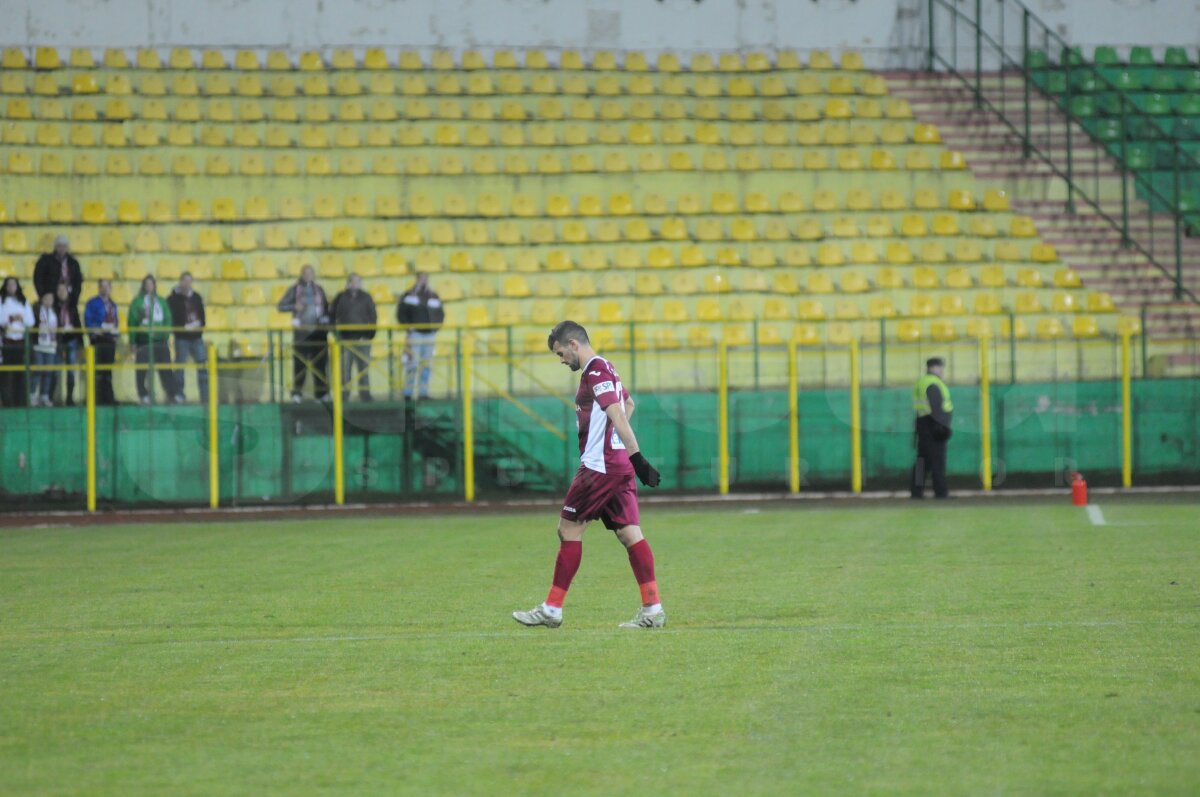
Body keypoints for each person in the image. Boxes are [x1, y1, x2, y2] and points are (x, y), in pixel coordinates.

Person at [512, 320, 665, 630]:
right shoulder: (608, 368)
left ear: (573, 345)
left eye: (559, 354)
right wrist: (620, 446)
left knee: (568, 529)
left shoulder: (594, 371)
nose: (561, 360)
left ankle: (552, 609)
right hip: (616, 463)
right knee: (629, 533)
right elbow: (629, 403)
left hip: (599, 467)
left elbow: (619, 412)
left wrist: (636, 455)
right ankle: (653, 609)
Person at [277, 264, 330, 403]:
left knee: (320, 364)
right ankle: (297, 393)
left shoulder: (319, 289)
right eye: (305, 273)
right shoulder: (294, 289)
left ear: (314, 275)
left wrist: (325, 318)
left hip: (318, 332)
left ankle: (321, 394)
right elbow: (280, 306)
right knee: (300, 364)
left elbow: (326, 308)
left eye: (310, 273)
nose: (308, 275)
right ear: (301, 274)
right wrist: (294, 306)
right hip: (301, 333)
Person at [127, 275, 183, 405]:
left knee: (165, 369)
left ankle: (172, 393)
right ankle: (143, 394)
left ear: (154, 285)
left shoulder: (162, 302)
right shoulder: (137, 302)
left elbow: (168, 319)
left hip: (160, 341)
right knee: (141, 370)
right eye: (147, 284)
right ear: (143, 285)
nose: (149, 286)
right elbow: (132, 322)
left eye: (151, 284)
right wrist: (133, 341)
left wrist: (165, 334)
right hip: (143, 341)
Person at [911, 357, 954, 499]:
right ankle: (941, 492)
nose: (942, 371)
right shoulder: (933, 383)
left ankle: (916, 492)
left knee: (922, 461)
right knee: (937, 461)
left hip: (922, 424)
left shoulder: (921, 382)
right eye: (940, 367)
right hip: (933, 426)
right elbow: (936, 406)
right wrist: (941, 426)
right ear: (933, 368)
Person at [395, 272, 444, 399]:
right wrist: (407, 326)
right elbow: (401, 313)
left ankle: (423, 393)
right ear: (416, 279)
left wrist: (436, 327)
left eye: (426, 278)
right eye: (422, 278)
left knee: (426, 364)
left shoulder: (433, 295)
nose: (424, 281)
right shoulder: (409, 295)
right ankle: (408, 392)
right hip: (415, 334)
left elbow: (440, 314)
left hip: (429, 335)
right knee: (413, 363)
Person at [330, 273, 377, 402]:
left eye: (358, 281)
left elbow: (373, 317)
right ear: (348, 283)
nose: (355, 284)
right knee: (344, 370)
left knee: (363, 369)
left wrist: (369, 335)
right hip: (345, 340)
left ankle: (365, 395)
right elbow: (332, 316)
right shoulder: (340, 297)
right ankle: (344, 396)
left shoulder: (367, 297)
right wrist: (337, 334)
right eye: (353, 281)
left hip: (363, 339)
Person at [166, 272, 208, 403]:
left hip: (196, 337)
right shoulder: (173, 299)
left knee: (202, 366)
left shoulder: (197, 297)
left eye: (189, 281)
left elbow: (202, 317)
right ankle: (179, 394)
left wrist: (198, 326)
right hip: (181, 337)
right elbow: (171, 318)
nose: (187, 284)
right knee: (180, 366)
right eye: (184, 281)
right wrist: (181, 328)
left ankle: (206, 397)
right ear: (180, 282)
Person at [84, 280, 120, 405]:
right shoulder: (92, 303)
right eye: (102, 287)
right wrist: (94, 330)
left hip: (110, 340)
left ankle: (108, 397)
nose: (104, 289)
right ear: (99, 288)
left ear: (110, 288)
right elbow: (88, 321)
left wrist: (116, 334)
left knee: (108, 370)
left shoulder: (113, 305)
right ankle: (96, 398)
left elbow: (116, 321)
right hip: (98, 340)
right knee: (97, 370)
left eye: (107, 286)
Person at [0, 276, 35, 407]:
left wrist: (20, 318)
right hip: (6, 342)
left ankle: (20, 401)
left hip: (20, 342)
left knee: (20, 373)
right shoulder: (1, 301)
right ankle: (7, 401)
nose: (11, 287)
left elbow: (30, 321)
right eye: (8, 285)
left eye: (13, 284)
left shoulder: (23, 301)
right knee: (6, 374)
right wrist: (9, 319)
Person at [33, 235, 83, 312]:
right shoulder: (45, 261)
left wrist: (73, 297)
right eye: (59, 246)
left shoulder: (73, 263)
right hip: (50, 298)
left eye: (64, 246)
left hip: (69, 299)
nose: (62, 248)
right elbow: (38, 278)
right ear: (55, 247)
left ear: (67, 247)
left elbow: (78, 282)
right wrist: (43, 295)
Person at [54, 283, 82, 406]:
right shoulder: (53, 306)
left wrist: (80, 342)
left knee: (71, 370)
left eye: (63, 289)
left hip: (71, 339)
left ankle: (70, 397)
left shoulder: (72, 306)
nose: (61, 292)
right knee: (55, 370)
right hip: (57, 341)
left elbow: (77, 324)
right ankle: (53, 397)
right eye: (59, 289)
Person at [30, 293, 59, 406]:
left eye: (51, 299)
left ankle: (44, 395)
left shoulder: (54, 311)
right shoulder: (37, 310)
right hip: (39, 345)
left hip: (51, 346)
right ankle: (32, 394)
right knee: (37, 371)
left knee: (48, 372)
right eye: (46, 298)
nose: (48, 301)